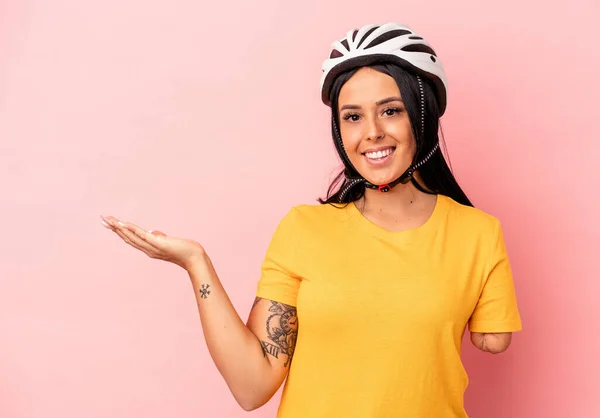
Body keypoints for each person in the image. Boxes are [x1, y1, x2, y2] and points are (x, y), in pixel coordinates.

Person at [101, 22, 522, 418]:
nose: (371, 132)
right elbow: (252, 387)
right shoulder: (304, 228)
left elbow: (493, 339)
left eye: (390, 110)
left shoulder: (478, 233)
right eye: (352, 117)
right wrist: (196, 264)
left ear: (422, 116)